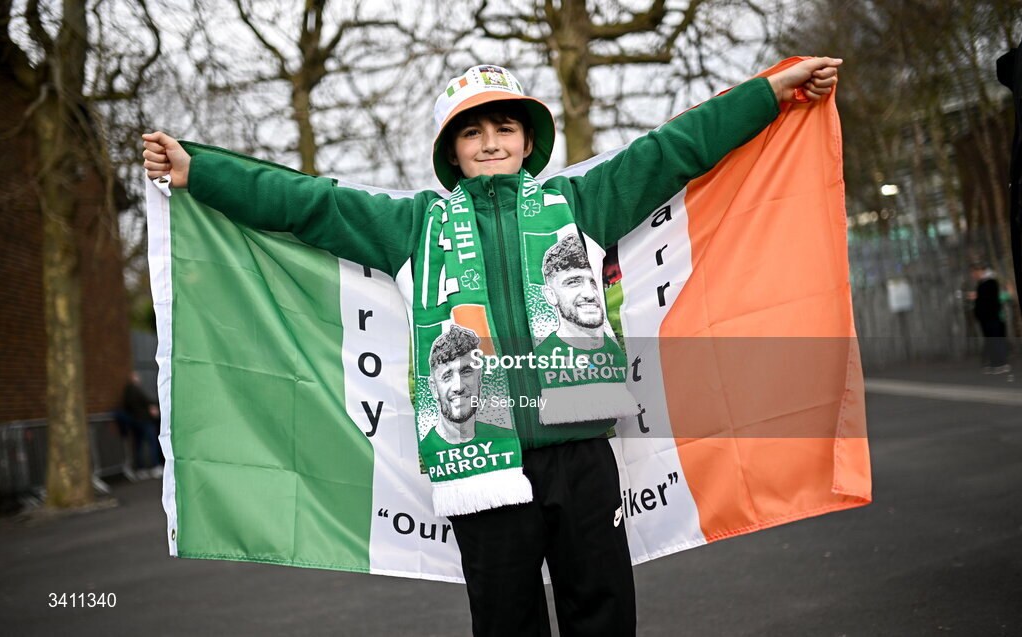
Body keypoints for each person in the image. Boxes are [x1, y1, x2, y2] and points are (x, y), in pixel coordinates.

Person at [143, 57, 842, 636]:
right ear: (453, 150)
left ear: (528, 140)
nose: (489, 142)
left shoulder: (583, 202)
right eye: (471, 132)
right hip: (482, 468)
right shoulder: (411, 226)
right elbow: (309, 203)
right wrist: (197, 170)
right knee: (506, 624)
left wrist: (767, 94)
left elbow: (673, 150)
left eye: (504, 126)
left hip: (582, 455)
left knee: (603, 612)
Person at [116, 371, 163, 480]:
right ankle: (155, 466)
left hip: (136, 421)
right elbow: (146, 400)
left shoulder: (128, 392)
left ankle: (141, 468)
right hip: (144, 420)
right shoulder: (136, 390)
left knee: (139, 445)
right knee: (152, 443)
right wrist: (152, 407)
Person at [969, 264, 1011, 374]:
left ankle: (999, 364)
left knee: (995, 340)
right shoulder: (984, 283)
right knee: (992, 340)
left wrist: (976, 300)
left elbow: (995, 299)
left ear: (979, 271)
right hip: (990, 317)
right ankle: (993, 363)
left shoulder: (989, 283)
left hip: (992, 317)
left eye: (974, 273)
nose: (973, 276)